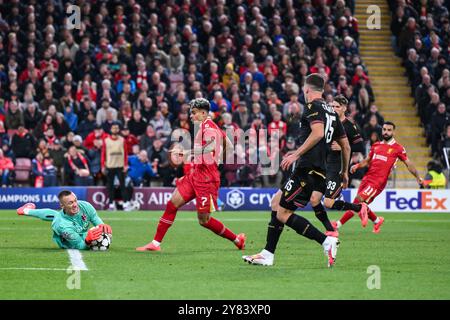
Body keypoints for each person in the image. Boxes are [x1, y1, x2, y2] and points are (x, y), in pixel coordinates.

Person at [243, 73, 350, 267]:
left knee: (282, 213)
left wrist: (296, 154)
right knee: (276, 204)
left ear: (307, 89)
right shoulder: (332, 112)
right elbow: (346, 145)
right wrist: (344, 172)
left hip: (307, 169)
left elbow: (317, 133)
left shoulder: (312, 107)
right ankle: (268, 253)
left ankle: (326, 241)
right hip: (318, 170)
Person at [136, 98, 246, 252]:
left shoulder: (209, 128)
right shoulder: (208, 126)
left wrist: (187, 152)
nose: (191, 116)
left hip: (207, 181)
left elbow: (212, 146)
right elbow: (228, 143)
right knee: (172, 204)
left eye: (193, 113)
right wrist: (220, 158)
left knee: (204, 220)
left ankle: (237, 239)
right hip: (195, 174)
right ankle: (155, 244)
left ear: (203, 113)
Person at [333, 121, 424, 233]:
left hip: (378, 181)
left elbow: (408, 164)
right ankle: (376, 220)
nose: (386, 132)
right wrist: (357, 165)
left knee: (359, 200)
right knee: (357, 204)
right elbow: (367, 161)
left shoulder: (398, 148)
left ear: (393, 132)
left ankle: (337, 225)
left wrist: (417, 177)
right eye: (384, 129)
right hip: (367, 178)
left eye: (389, 130)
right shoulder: (376, 145)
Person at [323, 95, 368, 225]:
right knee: (315, 199)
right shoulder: (328, 122)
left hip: (338, 167)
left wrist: (342, 146)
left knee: (327, 202)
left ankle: (359, 208)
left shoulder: (349, 126)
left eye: (336, 106)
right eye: (331, 106)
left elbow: (359, 146)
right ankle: (330, 228)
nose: (333, 108)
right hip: (325, 164)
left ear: (344, 108)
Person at [16, 190, 112, 250]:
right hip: (67, 241)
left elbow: (95, 218)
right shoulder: (61, 225)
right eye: (70, 203)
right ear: (62, 205)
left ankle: (26, 210)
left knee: (54, 214)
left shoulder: (85, 206)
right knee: (56, 216)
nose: (75, 205)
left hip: (73, 226)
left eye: (75, 200)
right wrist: (87, 241)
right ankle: (25, 210)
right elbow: (80, 245)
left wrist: (101, 226)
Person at [101, 121, 132, 211]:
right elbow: (103, 154)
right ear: (111, 129)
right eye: (114, 128)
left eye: (117, 128)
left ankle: (125, 203)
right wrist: (103, 166)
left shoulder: (122, 140)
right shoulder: (106, 141)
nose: (115, 129)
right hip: (110, 166)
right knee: (110, 186)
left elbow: (126, 153)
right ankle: (111, 203)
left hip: (120, 166)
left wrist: (126, 165)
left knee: (123, 185)